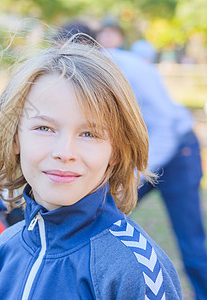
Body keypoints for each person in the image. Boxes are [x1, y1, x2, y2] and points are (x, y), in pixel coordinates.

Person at [0, 34, 182, 299]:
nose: (65, 153)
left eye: (89, 134)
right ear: (15, 137)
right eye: (44, 128)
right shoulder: (5, 250)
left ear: (115, 151)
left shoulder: (134, 270)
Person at [96, 24, 207, 300]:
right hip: (144, 157)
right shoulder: (89, 76)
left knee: (191, 244)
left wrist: (137, 174)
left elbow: (166, 126)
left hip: (178, 153)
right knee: (98, 217)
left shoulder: (131, 69)